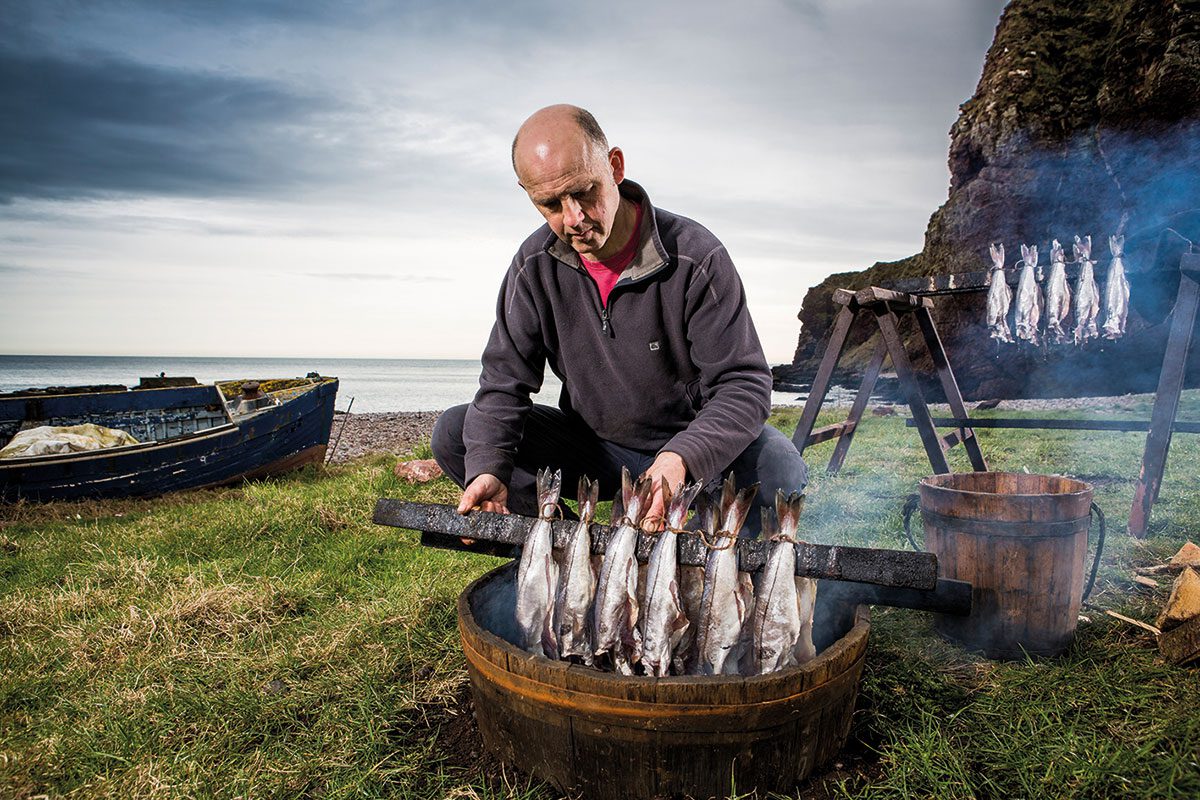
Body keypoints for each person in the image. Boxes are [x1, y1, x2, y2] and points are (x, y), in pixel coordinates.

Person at [432, 104, 806, 534]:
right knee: (460, 434)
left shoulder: (696, 256)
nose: (574, 219)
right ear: (528, 194)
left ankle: (712, 562)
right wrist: (488, 469)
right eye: (550, 204)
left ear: (615, 166)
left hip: (689, 446)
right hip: (596, 450)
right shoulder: (532, 267)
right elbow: (503, 384)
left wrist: (682, 456)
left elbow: (745, 385)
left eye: (585, 192)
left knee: (778, 466)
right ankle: (566, 552)